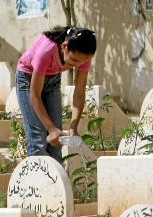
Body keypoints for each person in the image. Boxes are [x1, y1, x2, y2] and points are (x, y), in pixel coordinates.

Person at [15, 26, 97, 164]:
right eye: (75, 61)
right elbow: (35, 95)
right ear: (65, 46)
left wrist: (73, 127)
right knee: (38, 138)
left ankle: (56, 184)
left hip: (52, 79)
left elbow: (79, 92)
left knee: (57, 139)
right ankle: (38, 182)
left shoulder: (83, 55)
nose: (78, 65)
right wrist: (51, 128)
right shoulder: (46, 51)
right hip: (28, 79)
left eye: (83, 62)